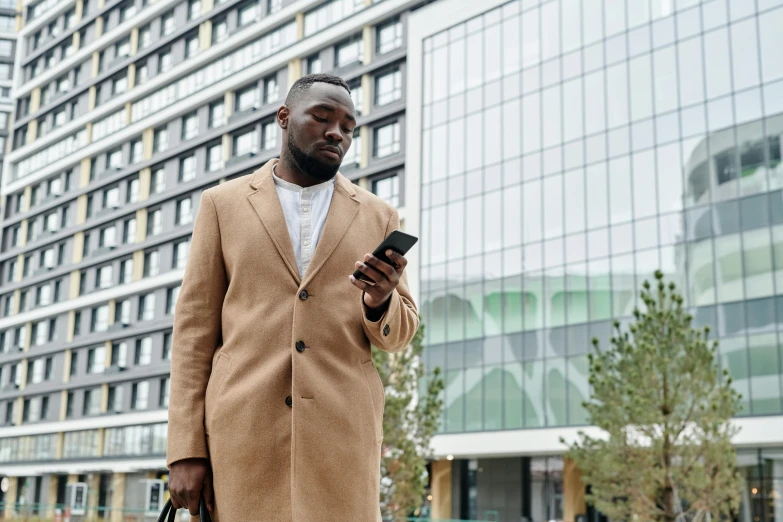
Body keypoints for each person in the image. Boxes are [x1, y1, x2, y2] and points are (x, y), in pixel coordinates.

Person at [165, 73, 419, 521]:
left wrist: (380, 301)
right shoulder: (222, 204)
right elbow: (193, 335)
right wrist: (185, 450)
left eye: (348, 125)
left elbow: (398, 336)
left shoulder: (379, 215)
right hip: (241, 438)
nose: (336, 132)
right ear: (284, 118)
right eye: (322, 117)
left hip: (343, 439)